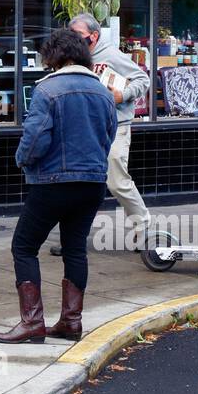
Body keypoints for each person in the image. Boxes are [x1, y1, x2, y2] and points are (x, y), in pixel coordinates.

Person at [0, 29, 116, 344]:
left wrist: (21, 160)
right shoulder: (102, 91)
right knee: (75, 248)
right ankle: (71, 323)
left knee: (23, 246)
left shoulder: (47, 91)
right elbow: (109, 133)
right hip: (92, 182)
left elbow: (35, 138)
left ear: (54, 57)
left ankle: (32, 322)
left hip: (52, 182)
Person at [50, 14, 151, 257]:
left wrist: (123, 94)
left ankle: (144, 229)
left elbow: (142, 78)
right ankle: (72, 240)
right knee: (81, 183)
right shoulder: (76, 56)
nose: (73, 39)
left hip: (116, 126)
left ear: (93, 36)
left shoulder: (111, 55)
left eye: (78, 35)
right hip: (89, 128)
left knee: (116, 180)